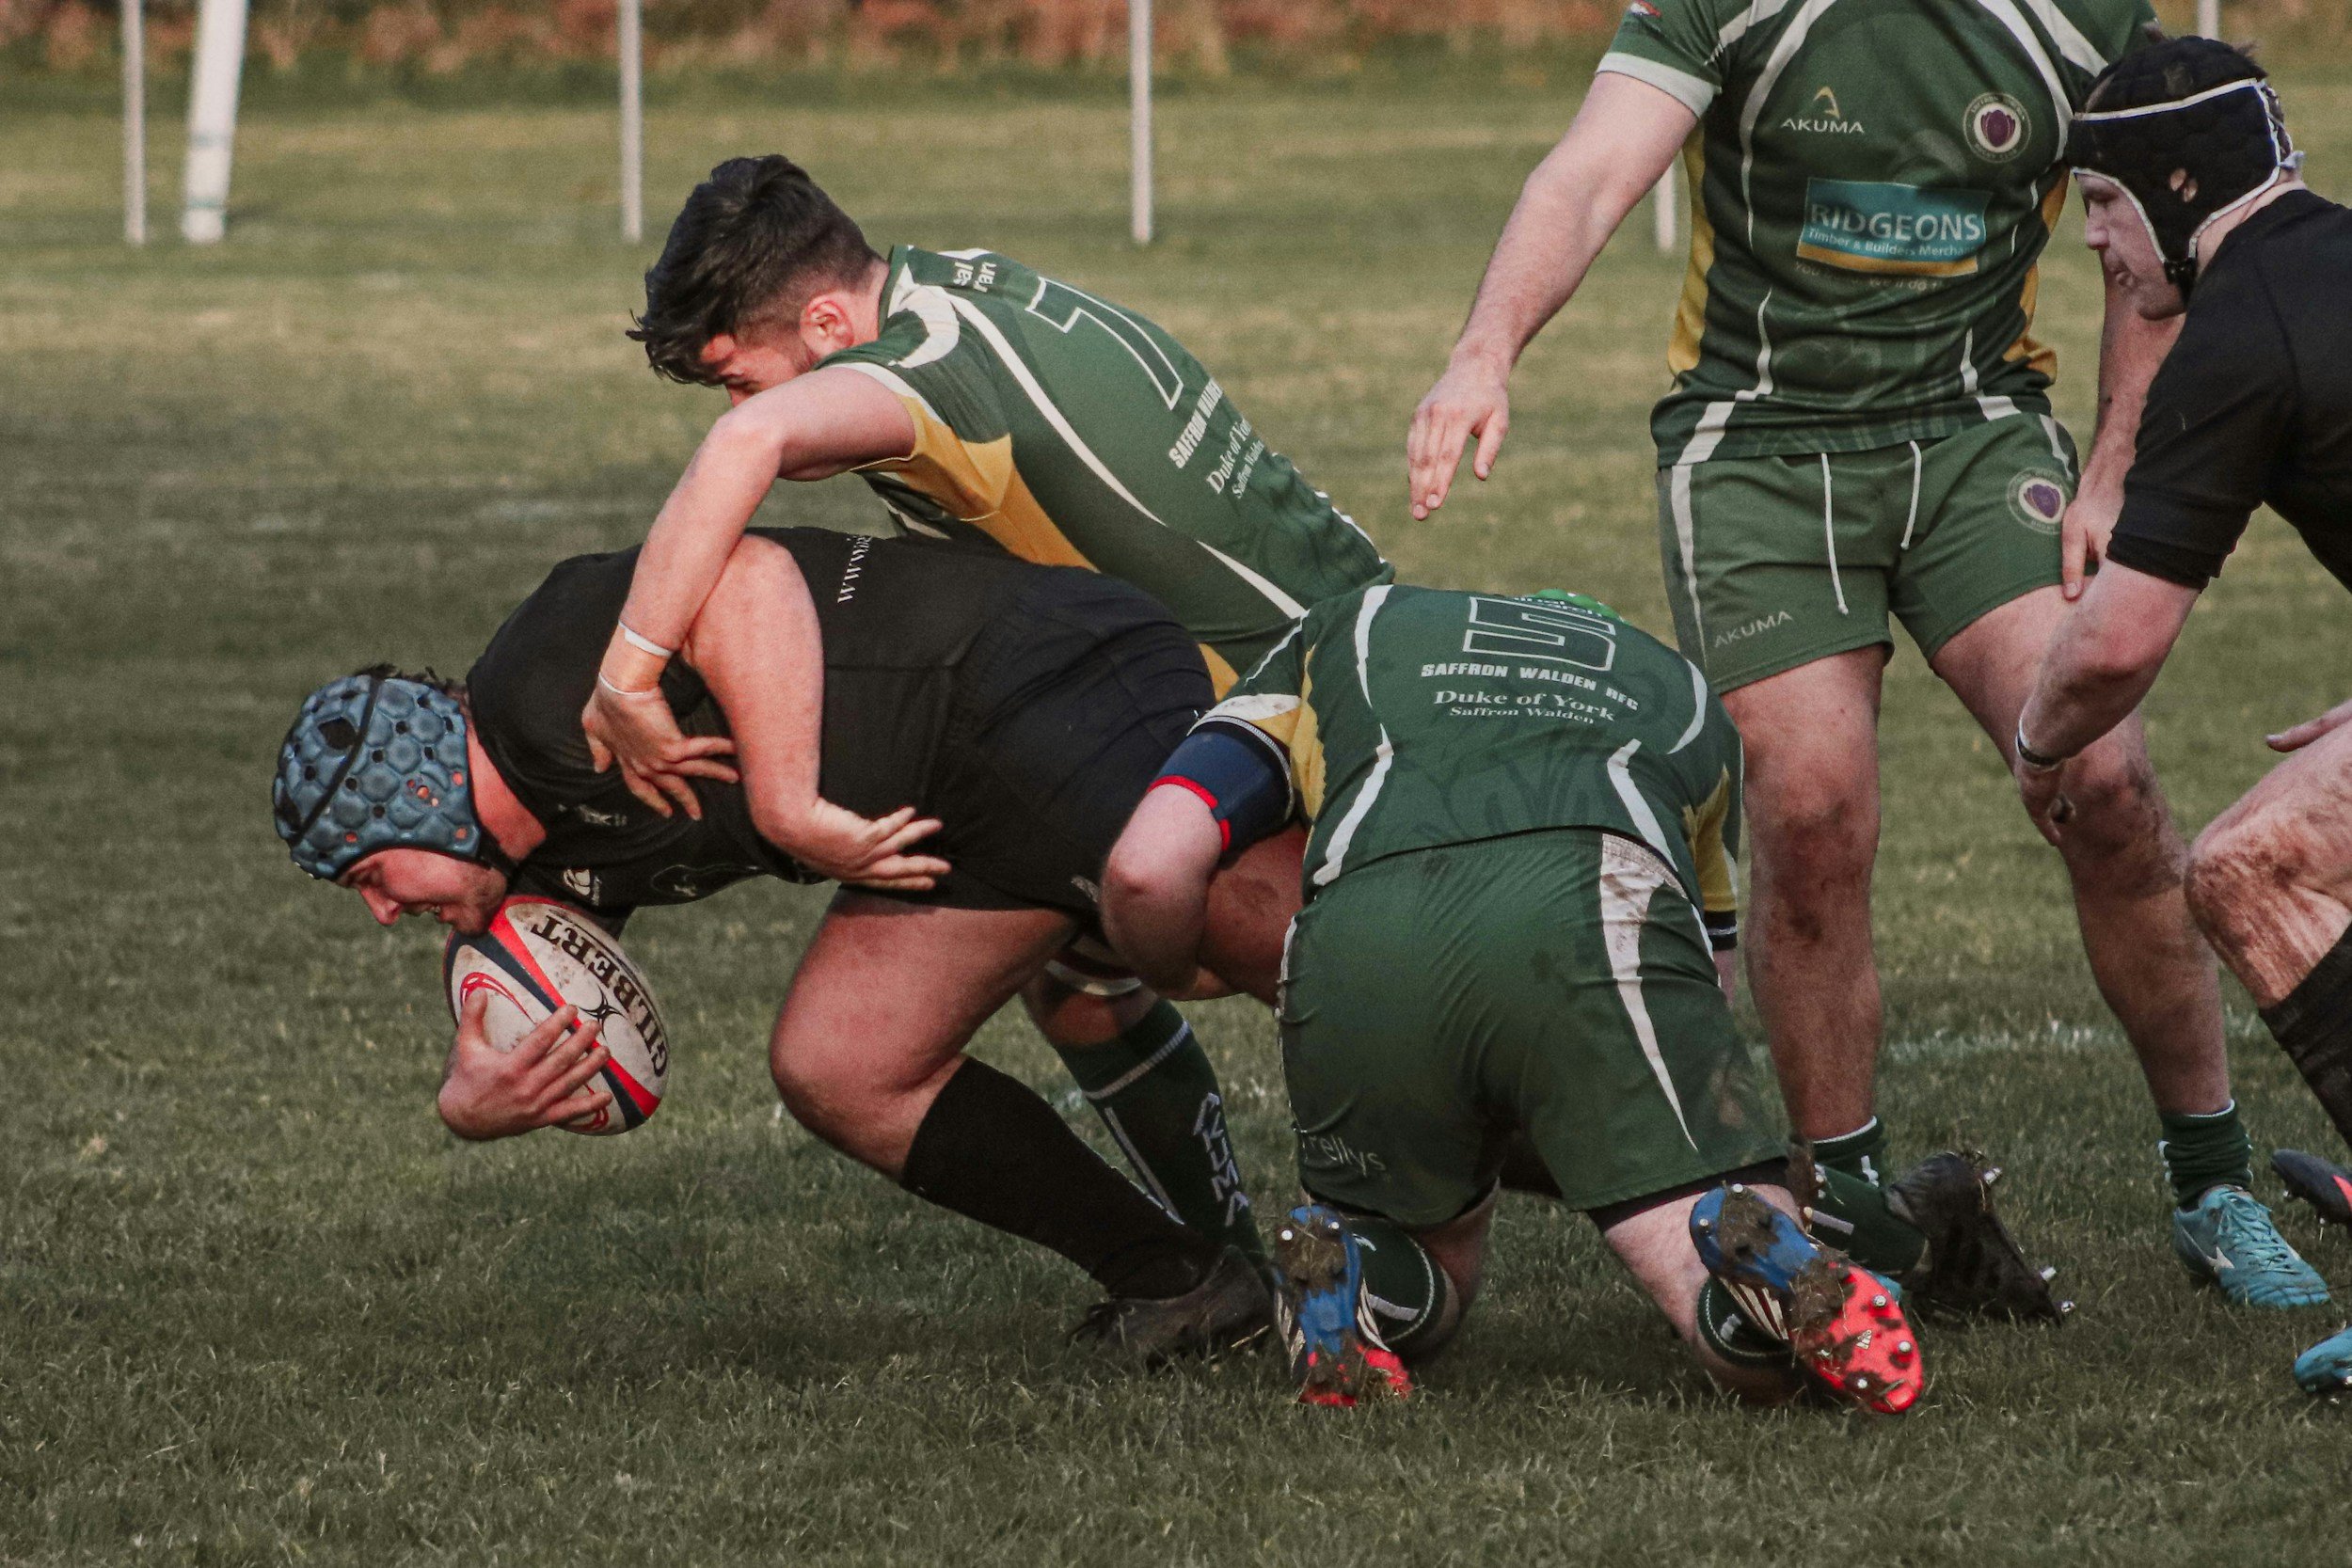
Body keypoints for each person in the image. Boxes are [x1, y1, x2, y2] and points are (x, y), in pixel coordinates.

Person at [1403, 2, 2322, 1307]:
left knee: (2104, 786)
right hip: (1761, 452)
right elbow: (1592, 170)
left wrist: (2114, 461)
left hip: (1977, 434)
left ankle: (2212, 1181)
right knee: (1813, 807)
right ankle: (1851, 1214)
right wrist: (1482, 351)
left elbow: (2145, 249)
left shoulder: (2087, 16)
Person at [573, 154, 1387, 1223]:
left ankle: (1632, 1181)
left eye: (738, 369)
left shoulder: (926, 369)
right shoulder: (947, 286)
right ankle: (1217, 1249)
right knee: (1071, 949)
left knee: (1394, 1016)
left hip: (1313, 714)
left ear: (824, 322)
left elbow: (749, 442)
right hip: (1338, 639)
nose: (733, 399)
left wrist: (626, 672)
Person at [271, 526, 1303, 1364]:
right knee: (841, 1062)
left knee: (1264, 936)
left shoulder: (541, 682)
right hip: (940, 821)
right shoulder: (533, 855)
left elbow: (747, 572)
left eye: (369, 876)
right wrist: (469, 1104)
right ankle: (1183, 1282)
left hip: (1030, 681)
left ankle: (1412, 1225)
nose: (381, 912)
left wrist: (788, 806)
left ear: (422, 795)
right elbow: (514, 980)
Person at [1101, 583, 1925, 1413]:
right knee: (1702, 1252)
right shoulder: (1682, 692)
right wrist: (1594, 1115)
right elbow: (1710, 986)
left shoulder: (1356, 625)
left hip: (1364, 927)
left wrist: (1172, 973)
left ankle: (1353, 1268)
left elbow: (1148, 864)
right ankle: (1760, 1279)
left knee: (1427, 1261)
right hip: (1598, 907)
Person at [2010, 40, 2352, 1384]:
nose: (2093, 239)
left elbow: (2114, 647)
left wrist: (2039, 741)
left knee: (2254, 868)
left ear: (2175, 179)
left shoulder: (2238, 336)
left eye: (2102, 202)